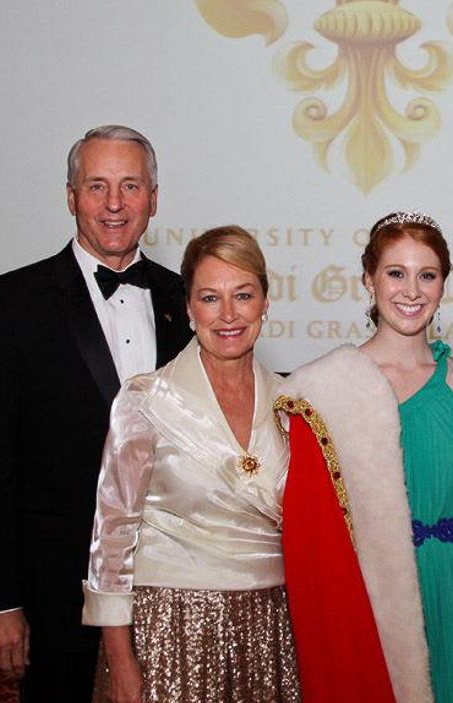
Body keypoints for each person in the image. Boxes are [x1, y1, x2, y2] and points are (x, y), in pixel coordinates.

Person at [0, 125, 192, 701]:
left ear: (154, 199)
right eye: (97, 186)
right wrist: (0, 600)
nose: (115, 204)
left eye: (131, 186)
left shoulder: (184, 300)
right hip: (56, 597)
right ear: (70, 197)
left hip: (172, 586)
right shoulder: (9, 303)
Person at [276, 212, 453, 703]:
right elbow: (313, 542)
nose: (412, 290)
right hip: (375, 605)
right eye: (395, 273)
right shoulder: (323, 393)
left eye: (427, 275)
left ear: (444, 285)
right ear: (368, 279)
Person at [81, 226, 300, 703]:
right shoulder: (145, 400)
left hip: (270, 627)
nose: (228, 315)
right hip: (169, 627)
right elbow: (111, 539)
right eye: (209, 297)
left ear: (266, 302)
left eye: (243, 295)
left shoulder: (294, 406)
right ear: (187, 307)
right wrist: (120, 660)